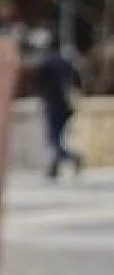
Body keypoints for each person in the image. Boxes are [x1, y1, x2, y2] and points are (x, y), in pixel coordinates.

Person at [35, 38, 85, 180]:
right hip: (67, 105)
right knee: (59, 137)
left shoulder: (46, 64)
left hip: (53, 104)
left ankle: (72, 158)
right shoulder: (66, 63)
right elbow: (77, 82)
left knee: (54, 138)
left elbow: (40, 85)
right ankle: (54, 167)